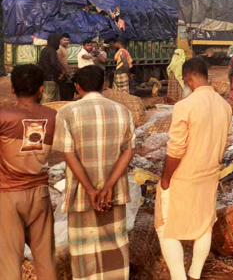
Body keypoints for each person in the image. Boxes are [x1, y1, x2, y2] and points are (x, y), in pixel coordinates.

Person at [54, 66, 135, 280]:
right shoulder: (122, 111)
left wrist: (91, 189)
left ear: (77, 86)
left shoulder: (67, 112)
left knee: (84, 249)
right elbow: (128, 152)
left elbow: (69, 155)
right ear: (104, 85)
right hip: (113, 192)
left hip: (82, 192)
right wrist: (108, 186)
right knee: (115, 242)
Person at [156, 58, 232, 280]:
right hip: (209, 174)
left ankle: (179, 277)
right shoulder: (224, 105)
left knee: (166, 228)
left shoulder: (184, 106)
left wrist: (166, 178)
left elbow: (176, 149)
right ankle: (195, 274)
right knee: (203, 227)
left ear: (188, 76)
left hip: (183, 177)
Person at [0, 65, 58, 280]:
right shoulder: (52, 117)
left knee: (8, 263)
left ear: (13, 89)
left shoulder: (4, 116)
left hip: (8, 195)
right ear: (41, 90)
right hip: (40, 194)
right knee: (46, 261)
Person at [38, 33, 63, 104]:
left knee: (50, 96)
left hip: (45, 76)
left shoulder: (44, 49)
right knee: (49, 97)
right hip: (51, 77)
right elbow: (53, 63)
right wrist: (60, 71)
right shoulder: (52, 50)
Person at [57, 33, 76, 101]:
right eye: (64, 40)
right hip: (62, 72)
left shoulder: (65, 49)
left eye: (67, 40)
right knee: (64, 92)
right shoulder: (59, 48)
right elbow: (59, 61)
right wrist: (64, 70)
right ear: (60, 40)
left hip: (65, 72)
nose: (66, 42)